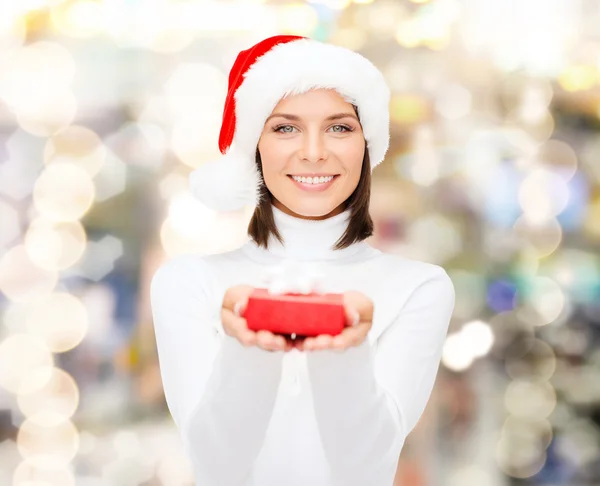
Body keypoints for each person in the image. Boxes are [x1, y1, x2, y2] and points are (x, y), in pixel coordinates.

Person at [150, 35, 455, 486]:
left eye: (339, 127)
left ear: (367, 144)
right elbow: (217, 464)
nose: (314, 152)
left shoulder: (420, 287)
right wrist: (249, 347)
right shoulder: (188, 282)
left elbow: (365, 465)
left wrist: (344, 351)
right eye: (285, 127)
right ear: (254, 144)